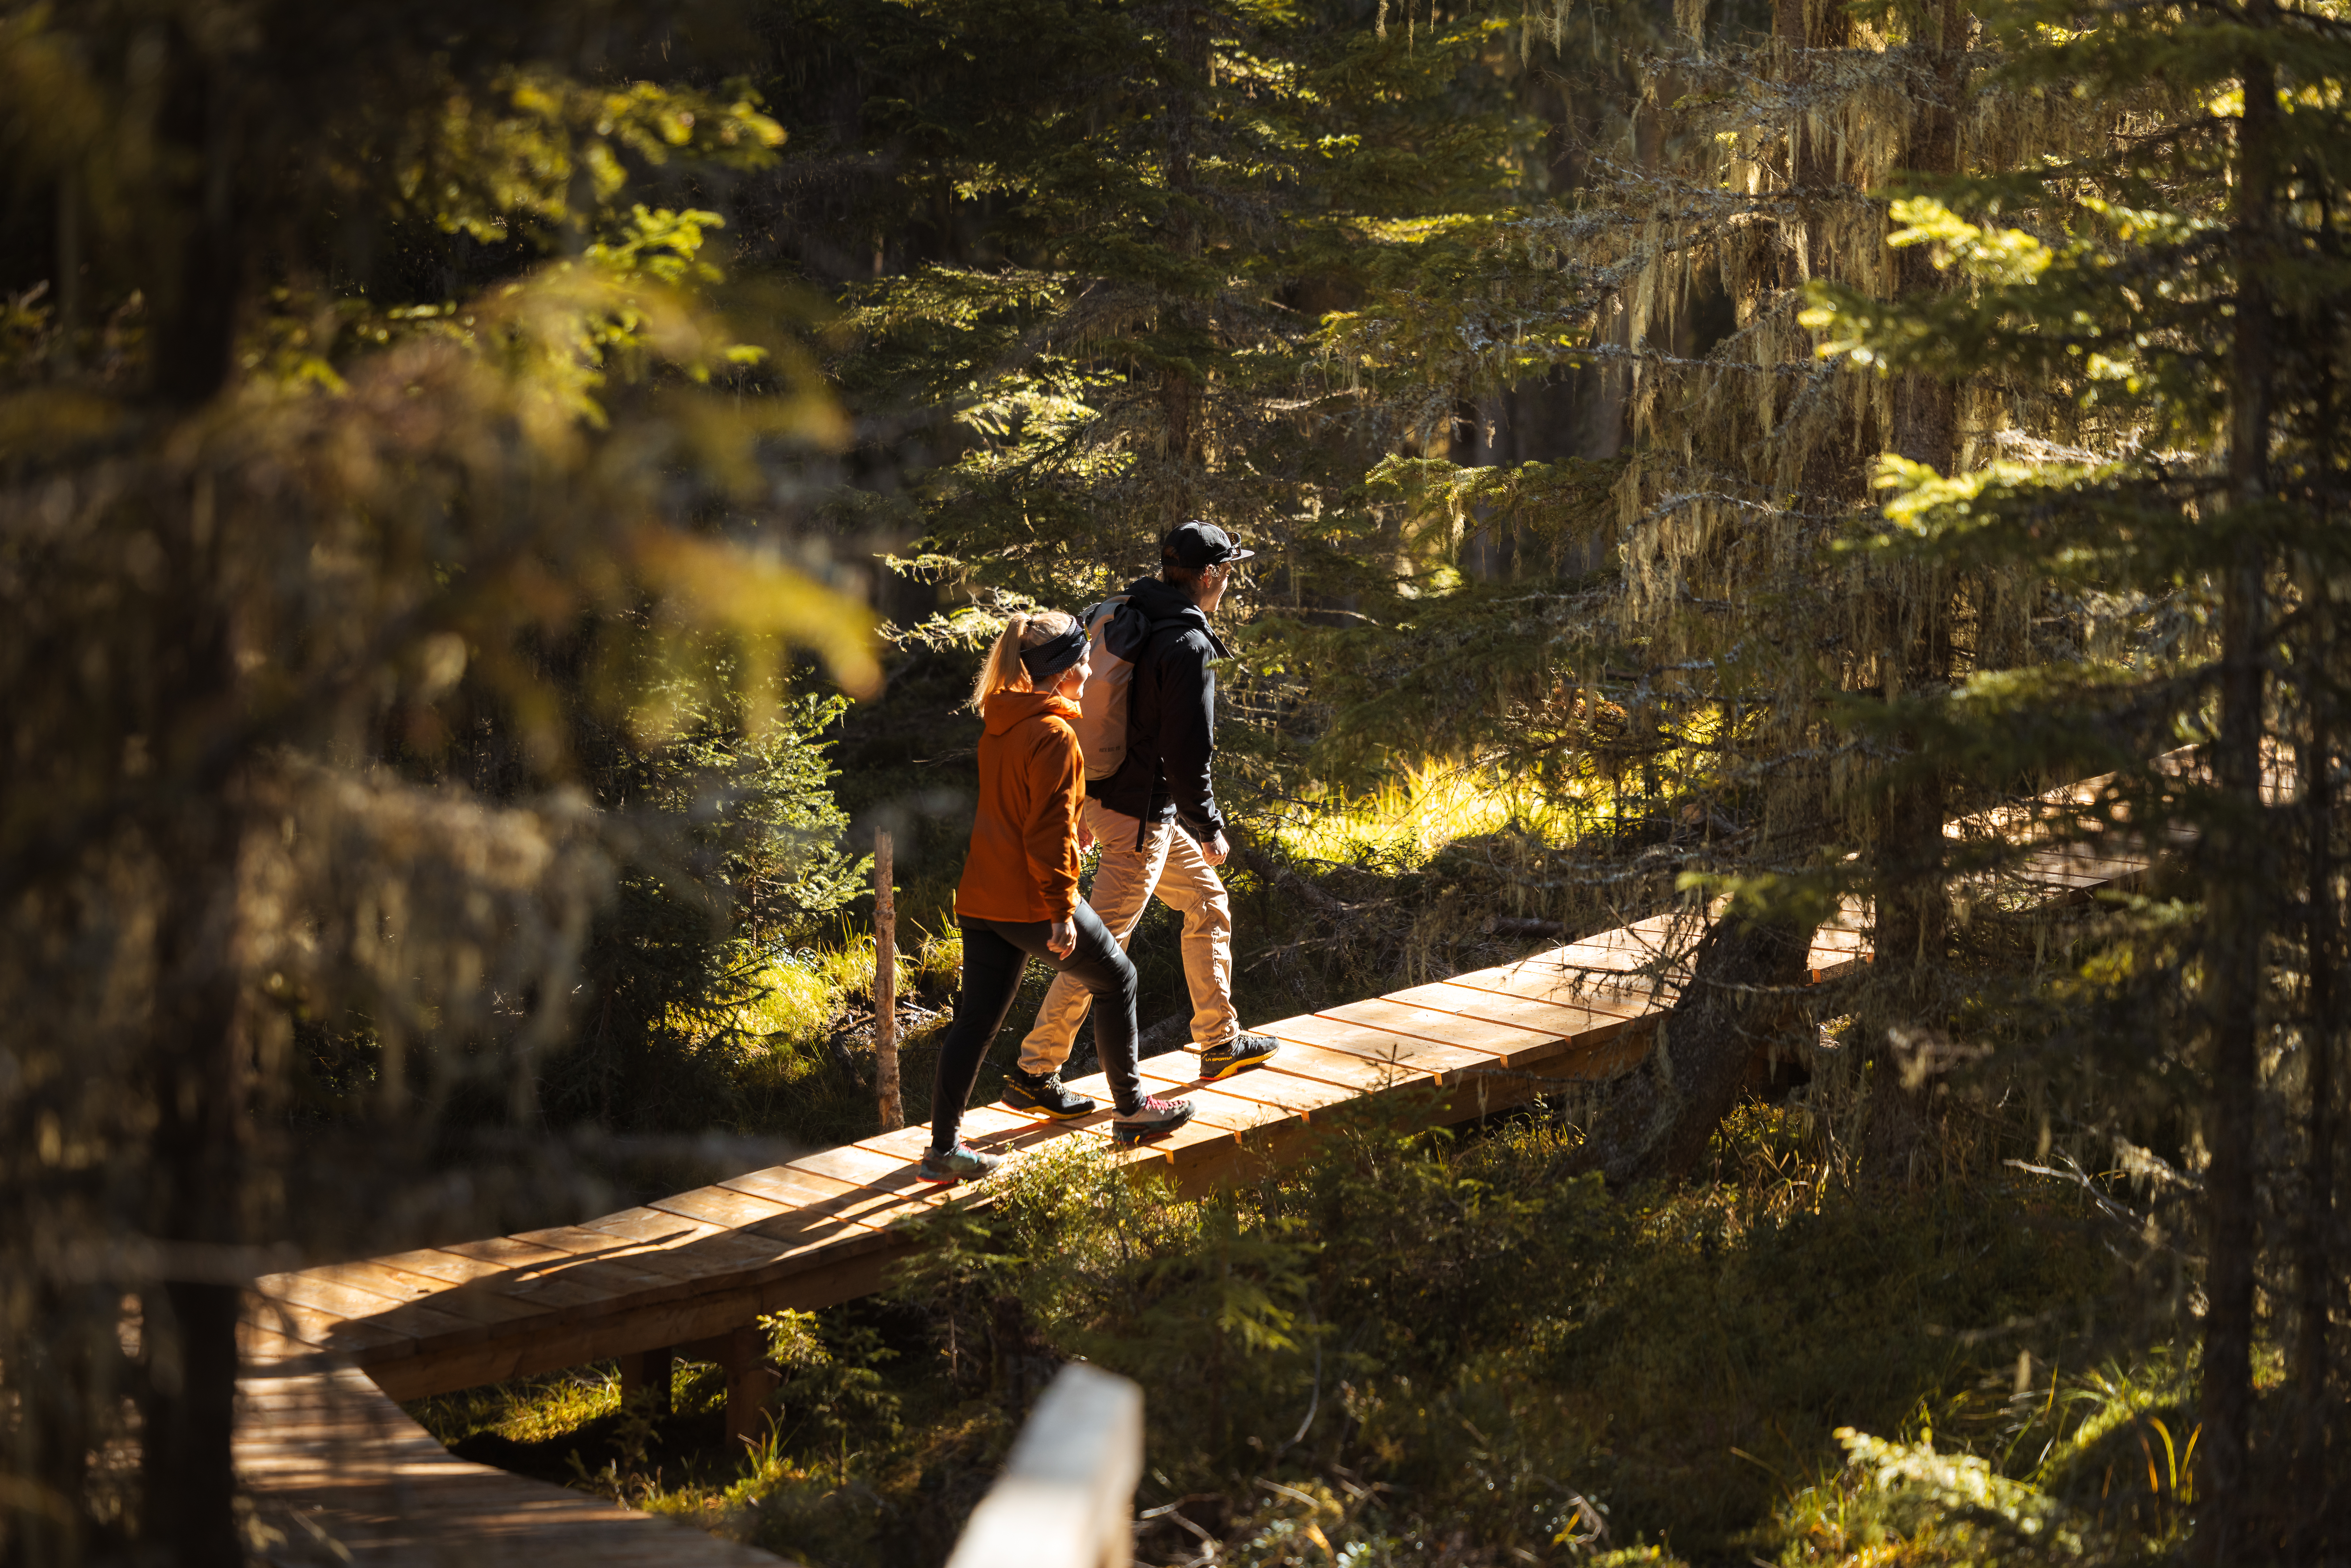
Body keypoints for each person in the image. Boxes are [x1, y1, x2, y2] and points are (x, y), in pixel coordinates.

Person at [1002, 521, 1281, 1120]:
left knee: (1207, 903)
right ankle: (1035, 1071)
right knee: (1102, 949)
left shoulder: (1128, 611)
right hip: (1138, 815)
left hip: (1105, 796)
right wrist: (1208, 824)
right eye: (1227, 572)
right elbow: (1188, 750)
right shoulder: (1187, 643)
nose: (1227, 582)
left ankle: (1219, 1040)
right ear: (1209, 577)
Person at [919, 609, 1197, 1182]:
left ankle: (943, 1150)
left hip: (981, 895)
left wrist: (1071, 830)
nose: (1093, 666)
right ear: (1068, 669)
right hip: (1028, 900)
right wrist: (1060, 907)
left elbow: (1022, 812)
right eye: (1085, 659)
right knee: (1117, 977)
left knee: (974, 1021)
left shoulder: (1001, 724)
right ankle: (1133, 1110)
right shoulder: (1054, 735)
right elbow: (1045, 832)